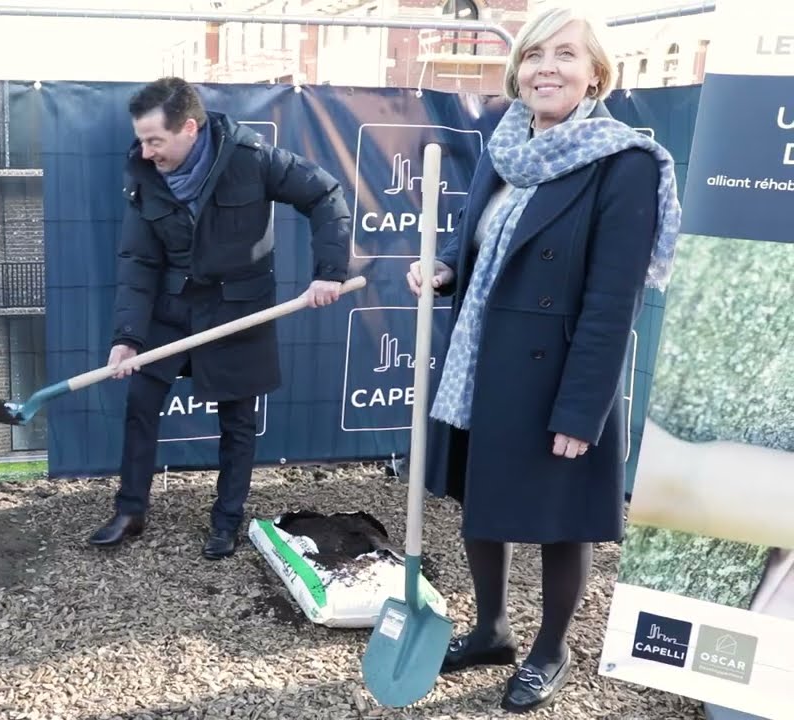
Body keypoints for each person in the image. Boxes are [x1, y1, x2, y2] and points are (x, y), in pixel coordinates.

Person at [405, 6, 681, 713]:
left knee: (562, 517)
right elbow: (492, 254)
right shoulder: (508, 147)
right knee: (482, 503)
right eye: (534, 56)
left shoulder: (623, 164)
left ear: (596, 74)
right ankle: (492, 629)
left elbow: (612, 300)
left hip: (558, 370)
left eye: (565, 55)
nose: (546, 68)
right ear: (517, 71)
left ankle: (550, 648)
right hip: (484, 363)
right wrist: (445, 273)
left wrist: (582, 407)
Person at [89, 76, 353, 560]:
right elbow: (139, 262)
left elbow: (325, 194)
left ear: (189, 128)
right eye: (142, 140)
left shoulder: (251, 159)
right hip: (172, 311)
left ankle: (226, 520)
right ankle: (131, 510)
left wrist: (329, 272)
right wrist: (128, 336)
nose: (146, 152)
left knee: (237, 421)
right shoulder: (144, 173)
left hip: (238, 309)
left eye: (155, 140)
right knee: (141, 402)